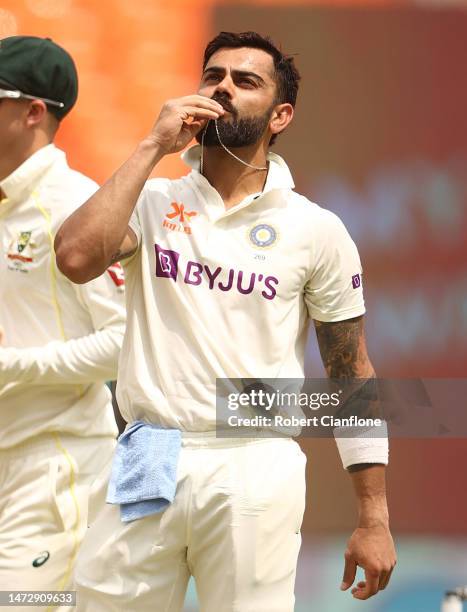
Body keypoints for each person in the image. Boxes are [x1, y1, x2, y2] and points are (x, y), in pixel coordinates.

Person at [56, 31, 396, 612]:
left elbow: (350, 373)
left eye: (246, 81)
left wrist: (374, 516)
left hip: (253, 459)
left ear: (280, 115)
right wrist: (150, 146)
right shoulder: (153, 200)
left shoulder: (315, 229)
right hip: (149, 450)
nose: (223, 88)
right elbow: (75, 258)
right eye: (213, 76)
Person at [0, 35, 126, 607]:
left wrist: (14, 366)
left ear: (32, 112)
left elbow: (126, 341)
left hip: (53, 469)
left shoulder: (75, 205)